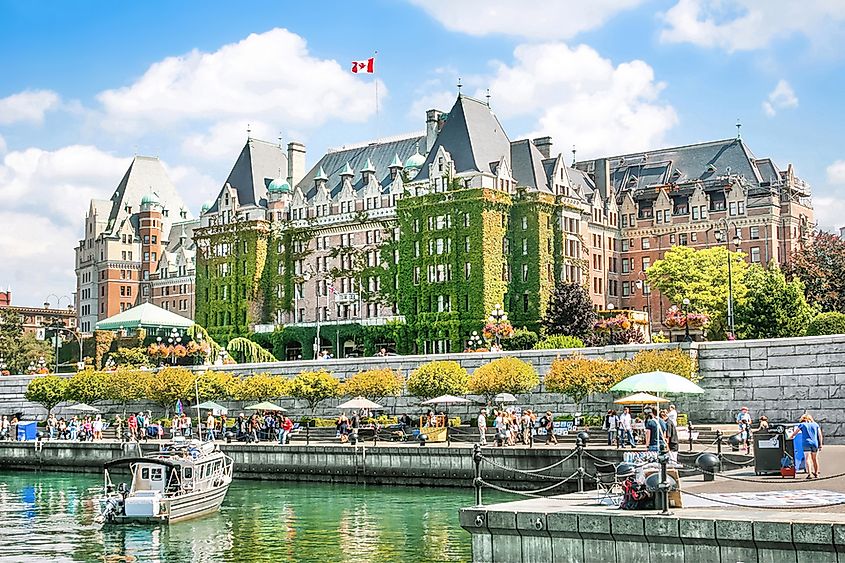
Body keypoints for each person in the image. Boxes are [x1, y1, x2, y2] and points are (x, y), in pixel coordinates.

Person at [790, 414, 823, 479]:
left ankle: (810, 473)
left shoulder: (802, 425)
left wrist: (791, 436)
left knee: (807, 459)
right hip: (815, 443)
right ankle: (816, 473)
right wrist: (820, 444)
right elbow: (820, 435)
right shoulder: (815, 424)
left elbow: (795, 432)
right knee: (815, 459)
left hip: (806, 443)